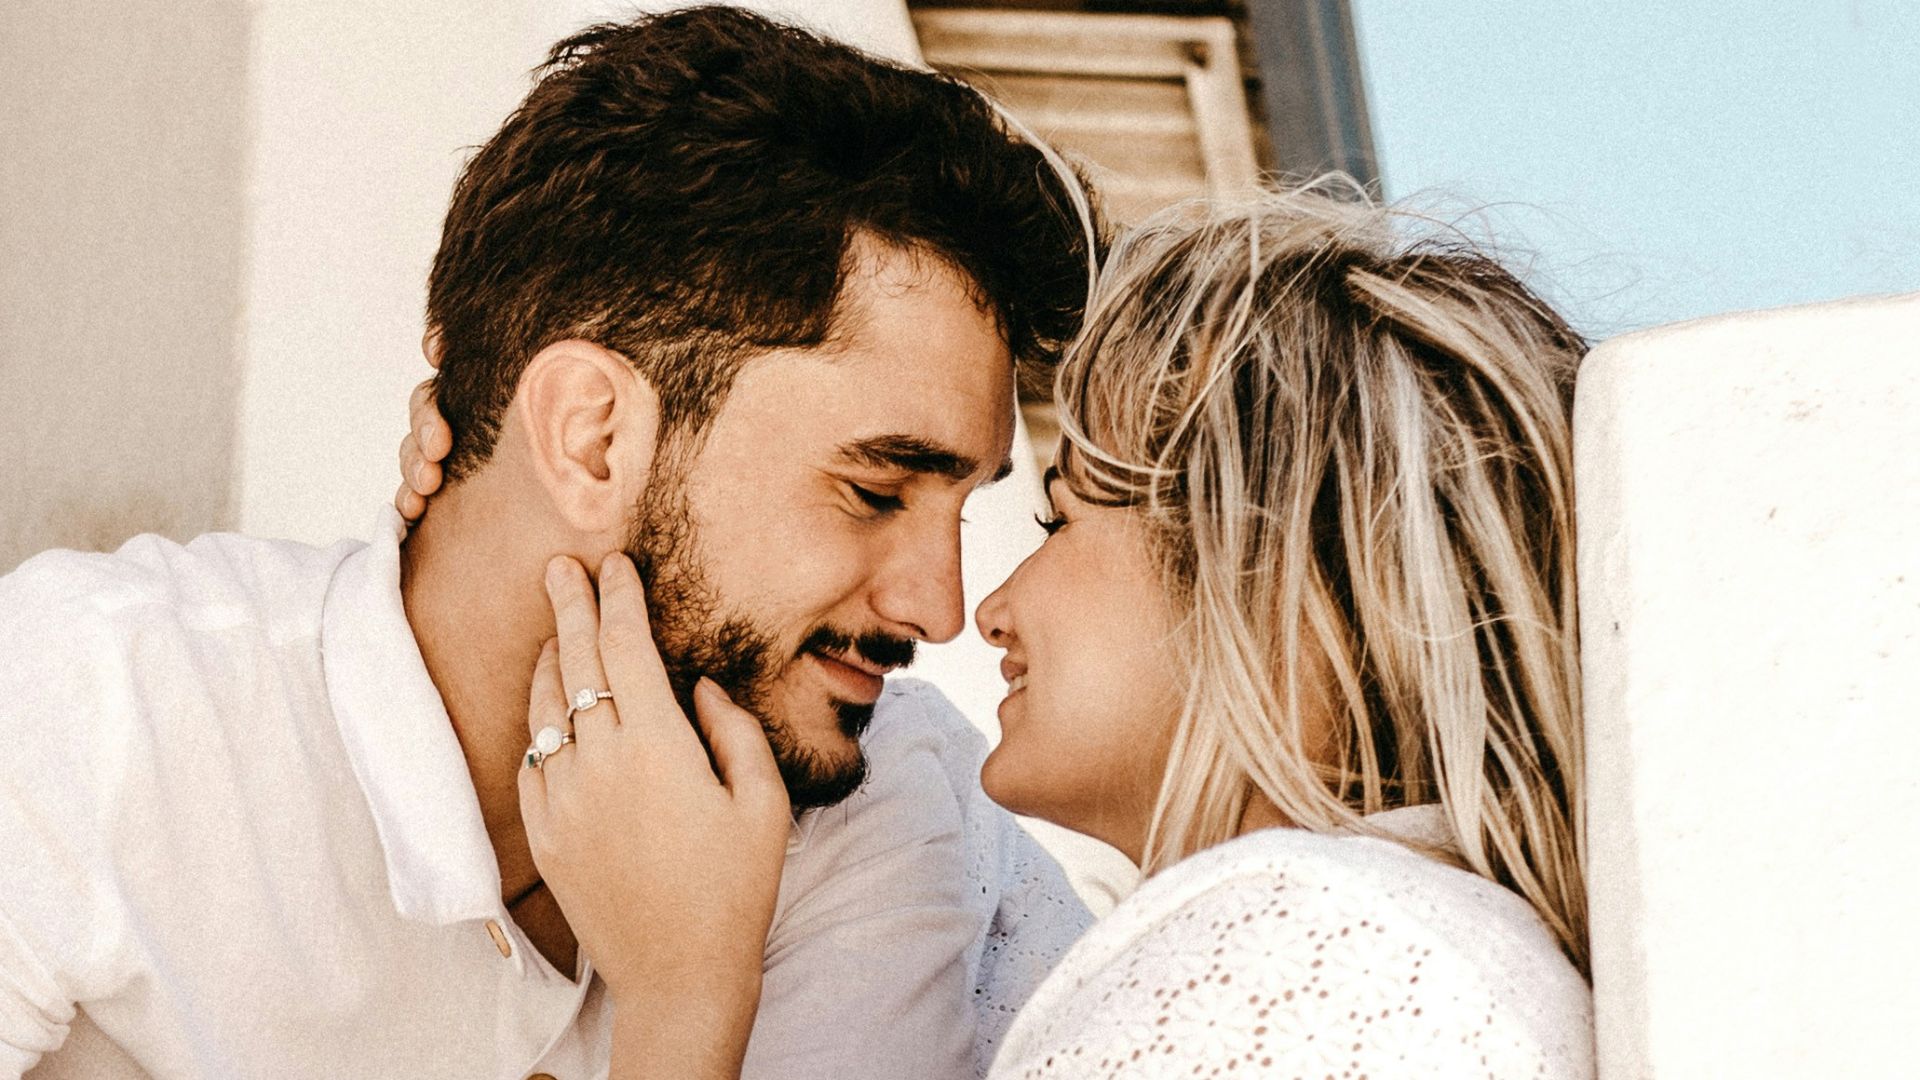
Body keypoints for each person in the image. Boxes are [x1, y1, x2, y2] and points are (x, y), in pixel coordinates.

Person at [0, 8, 1099, 1079]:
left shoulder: (880, 803)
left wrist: (685, 999)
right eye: (873, 491)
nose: (939, 609)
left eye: (961, 508)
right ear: (591, 438)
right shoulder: (97, 712)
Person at [401, 184, 1598, 1077]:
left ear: (1279, 582)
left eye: (1060, 519)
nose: (974, 609)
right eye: (877, 491)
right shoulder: (1338, 948)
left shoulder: (1306, 966)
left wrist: (679, 1002)